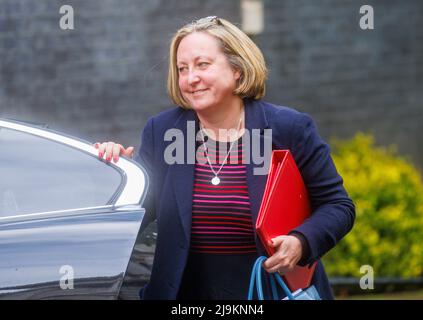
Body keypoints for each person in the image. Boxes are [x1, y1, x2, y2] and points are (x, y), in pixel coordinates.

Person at [95, 16, 355, 300]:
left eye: (202, 65)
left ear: (237, 70)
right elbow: (136, 215)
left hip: (273, 292)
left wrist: (301, 242)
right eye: (183, 69)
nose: (190, 78)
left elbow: (338, 206)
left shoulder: (288, 128)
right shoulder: (163, 131)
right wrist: (112, 172)